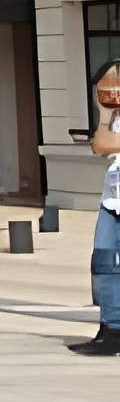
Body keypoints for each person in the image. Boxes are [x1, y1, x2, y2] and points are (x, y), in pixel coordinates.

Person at [75, 66, 120, 355]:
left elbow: (104, 143)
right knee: (104, 264)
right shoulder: (115, 116)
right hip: (113, 198)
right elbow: (99, 144)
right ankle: (111, 328)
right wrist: (105, 113)